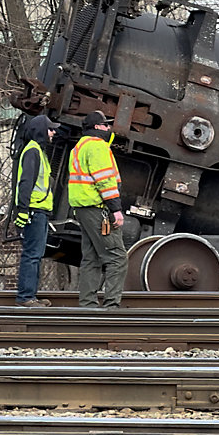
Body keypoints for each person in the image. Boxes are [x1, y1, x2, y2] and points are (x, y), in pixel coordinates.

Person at [68, 110, 126, 308]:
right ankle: (111, 307)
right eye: (106, 125)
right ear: (97, 127)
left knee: (91, 257)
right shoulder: (97, 146)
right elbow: (105, 181)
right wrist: (116, 209)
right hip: (97, 208)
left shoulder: (78, 147)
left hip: (83, 209)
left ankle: (88, 305)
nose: (109, 128)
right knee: (117, 256)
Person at [12, 114, 59, 307]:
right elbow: (25, 183)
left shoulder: (38, 151)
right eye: (50, 129)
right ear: (40, 130)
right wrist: (23, 211)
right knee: (32, 254)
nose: (53, 132)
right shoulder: (33, 152)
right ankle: (26, 297)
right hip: (33, 211)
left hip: (39, 211)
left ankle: (31, 295)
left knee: (36, 254)